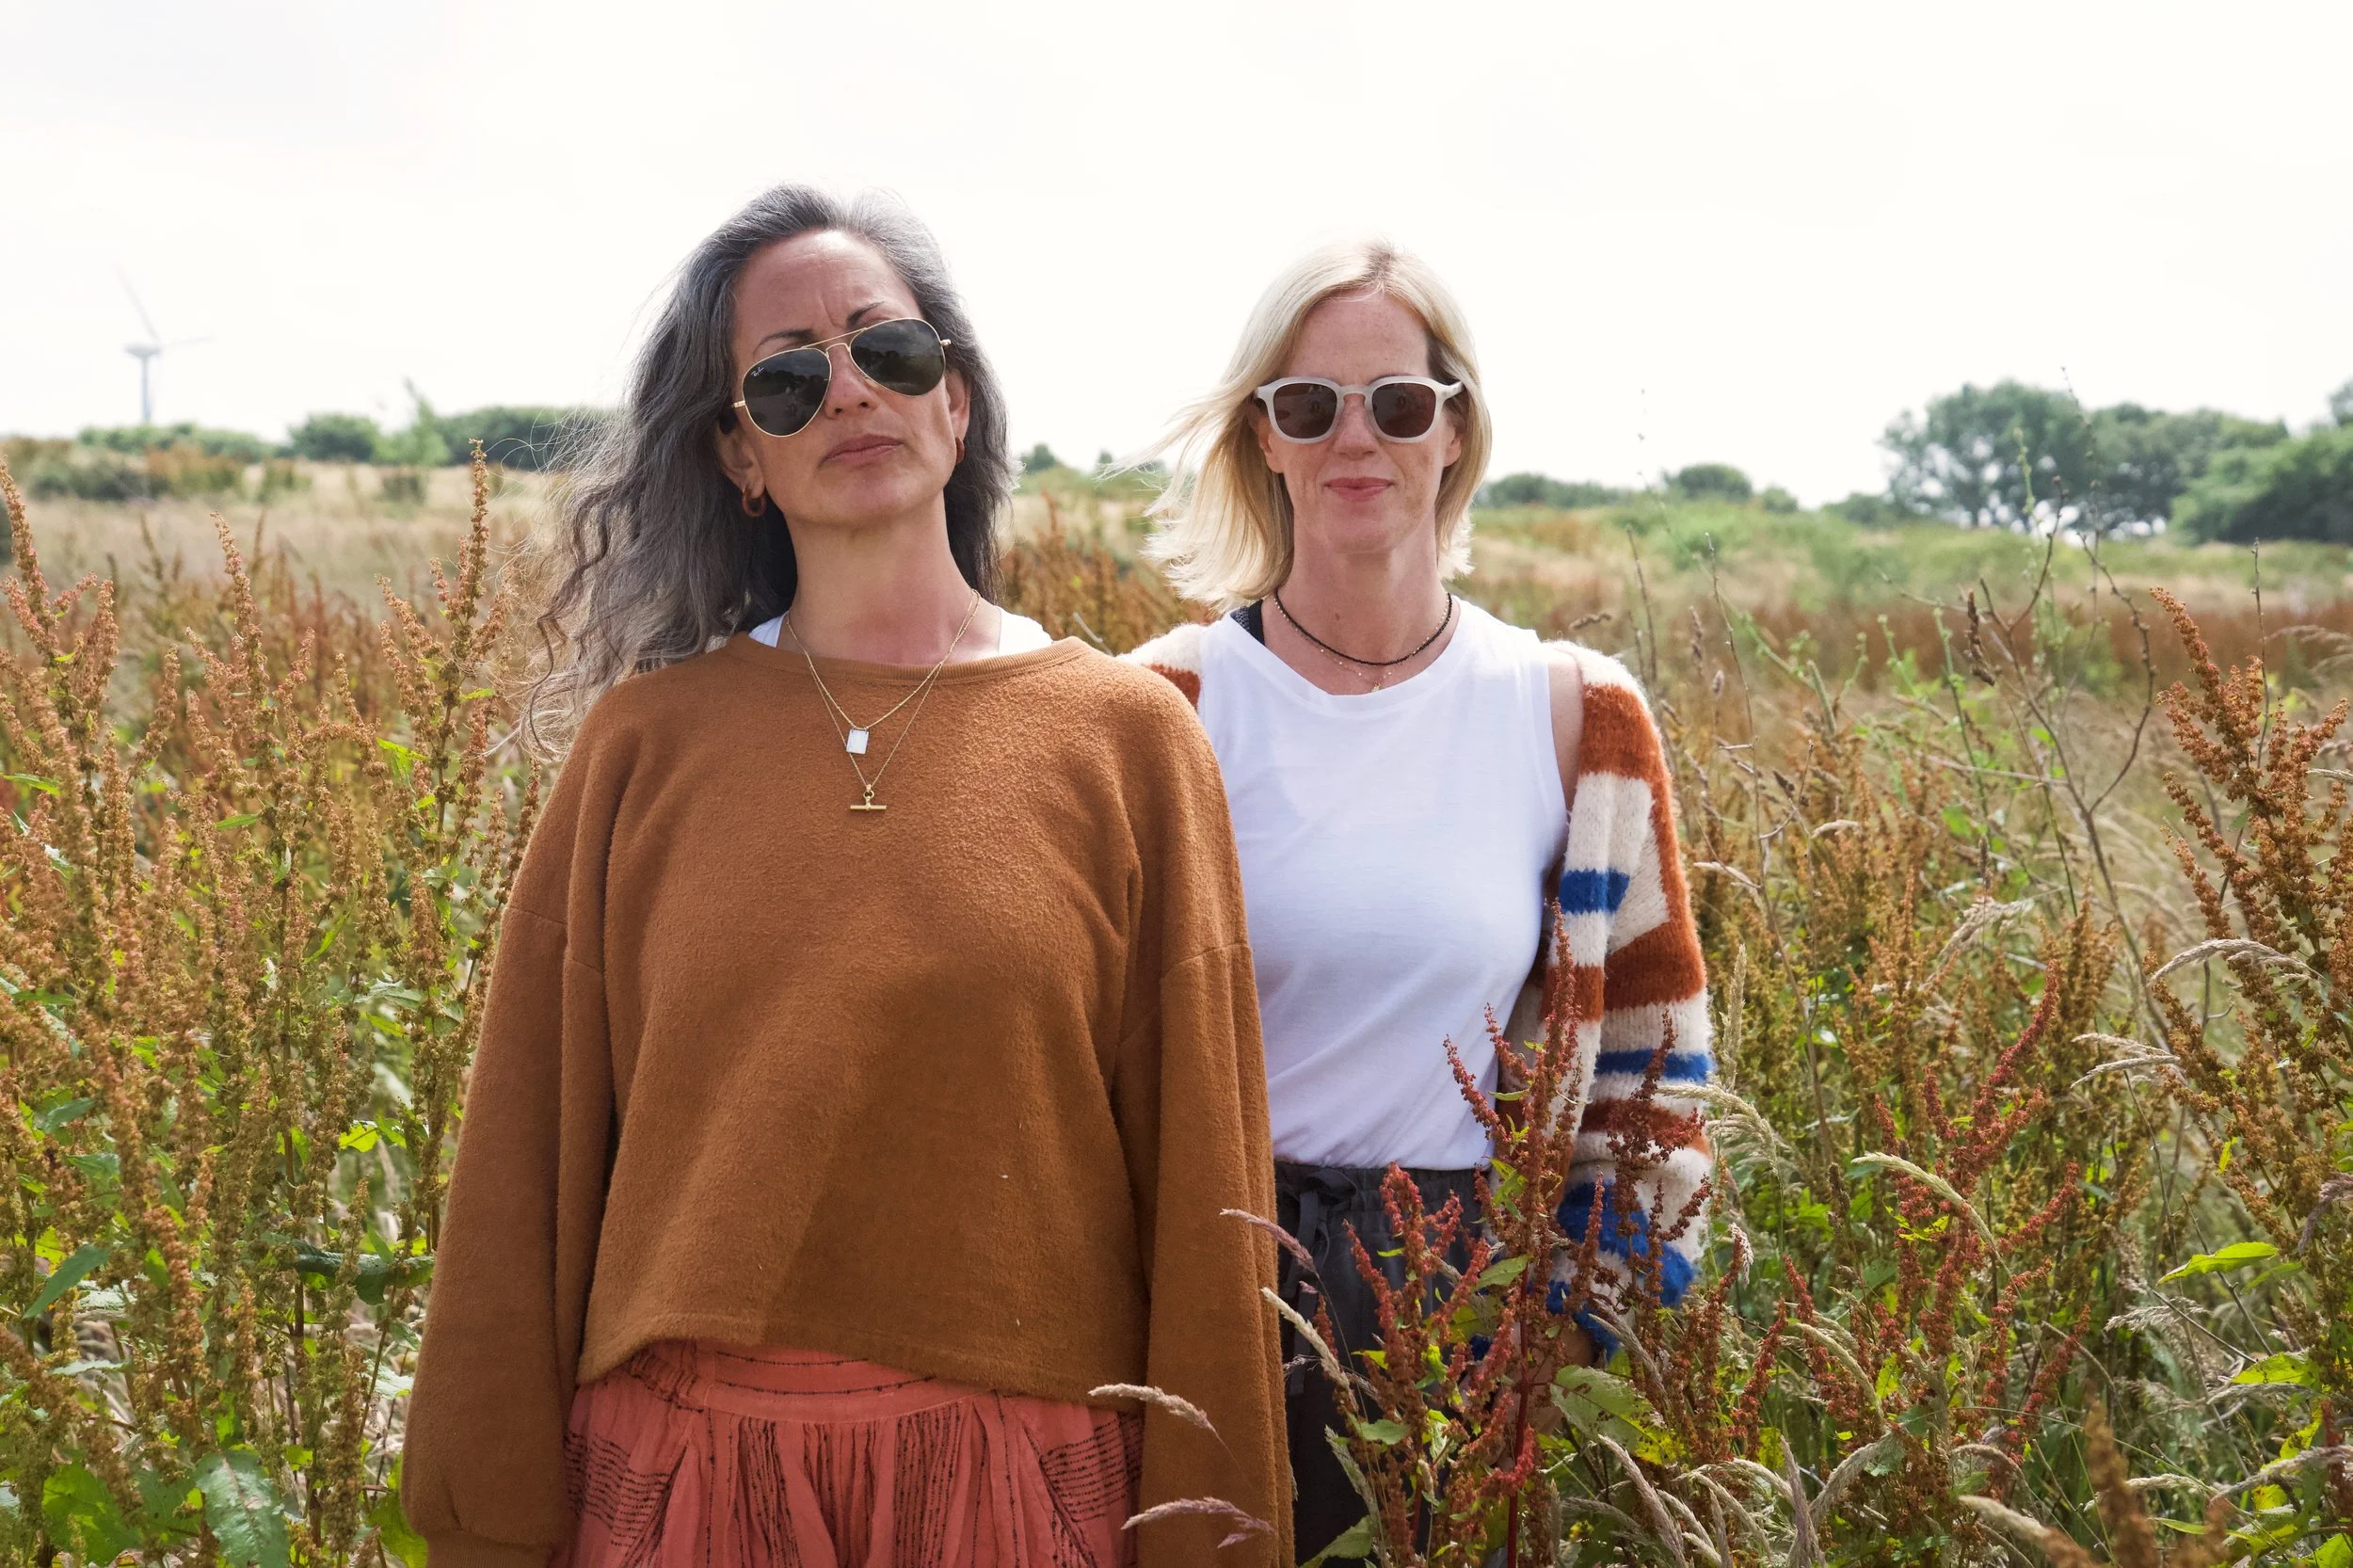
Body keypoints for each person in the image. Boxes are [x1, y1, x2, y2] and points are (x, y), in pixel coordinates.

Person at [402, 185, 1289, 1568]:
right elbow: (529, 1145)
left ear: (957, 404)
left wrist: (1215, 1530)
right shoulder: (647, 745)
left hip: (1022, 1487)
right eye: (787, 378)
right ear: (739, 455)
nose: (851, 394)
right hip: (684, 1483)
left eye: (890, 350)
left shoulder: (1127, 740)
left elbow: (1206, 1173)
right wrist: (485, 1517)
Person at [1125, 238, 1713, 1556]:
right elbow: (1072, 1070)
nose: (1356, 438)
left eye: (1397, 403)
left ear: (1455, 432)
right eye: (1308, 405)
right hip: (1203, 1300)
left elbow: (1655, 1074)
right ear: (1263, 439)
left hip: (1460, 1309)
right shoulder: (1164, 705)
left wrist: (1568, 1333)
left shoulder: (1577, 718)